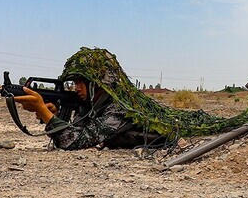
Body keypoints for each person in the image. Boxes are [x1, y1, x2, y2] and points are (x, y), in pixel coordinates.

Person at [15, 48, 163, 151]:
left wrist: (42, 110)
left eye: (81, 82)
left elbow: (73, 141)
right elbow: (76, 131)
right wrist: (53, 116)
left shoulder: (121, 107)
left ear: (98, 84)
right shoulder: (91, 105)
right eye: (75, 82)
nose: (77, 88)